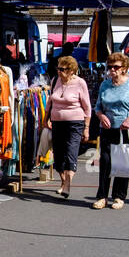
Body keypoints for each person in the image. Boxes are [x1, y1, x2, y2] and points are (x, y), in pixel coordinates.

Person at [91, 52, 129, 211]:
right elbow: (98, 107)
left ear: (124, 68)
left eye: (116, 67)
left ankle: (119, 196)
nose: (112, 70)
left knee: (123, 162)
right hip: (107, 129)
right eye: (110, 67)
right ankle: (102, 196)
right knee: (105, 163)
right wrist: (101, 116)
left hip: (125, 129)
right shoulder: (105, 84)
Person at [46, 54, 91, 198]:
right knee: (58, 154)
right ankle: (64, 181)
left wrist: (86, 127)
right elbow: (49, 102)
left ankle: (67, 185)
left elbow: (87, 107)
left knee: (71, 152)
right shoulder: (55, 81)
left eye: (63, 69)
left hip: (75, 122)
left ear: (72, 70)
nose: (59, 71)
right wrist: (45, 120)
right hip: (56, 122)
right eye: (58, 68)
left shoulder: (80, 83)